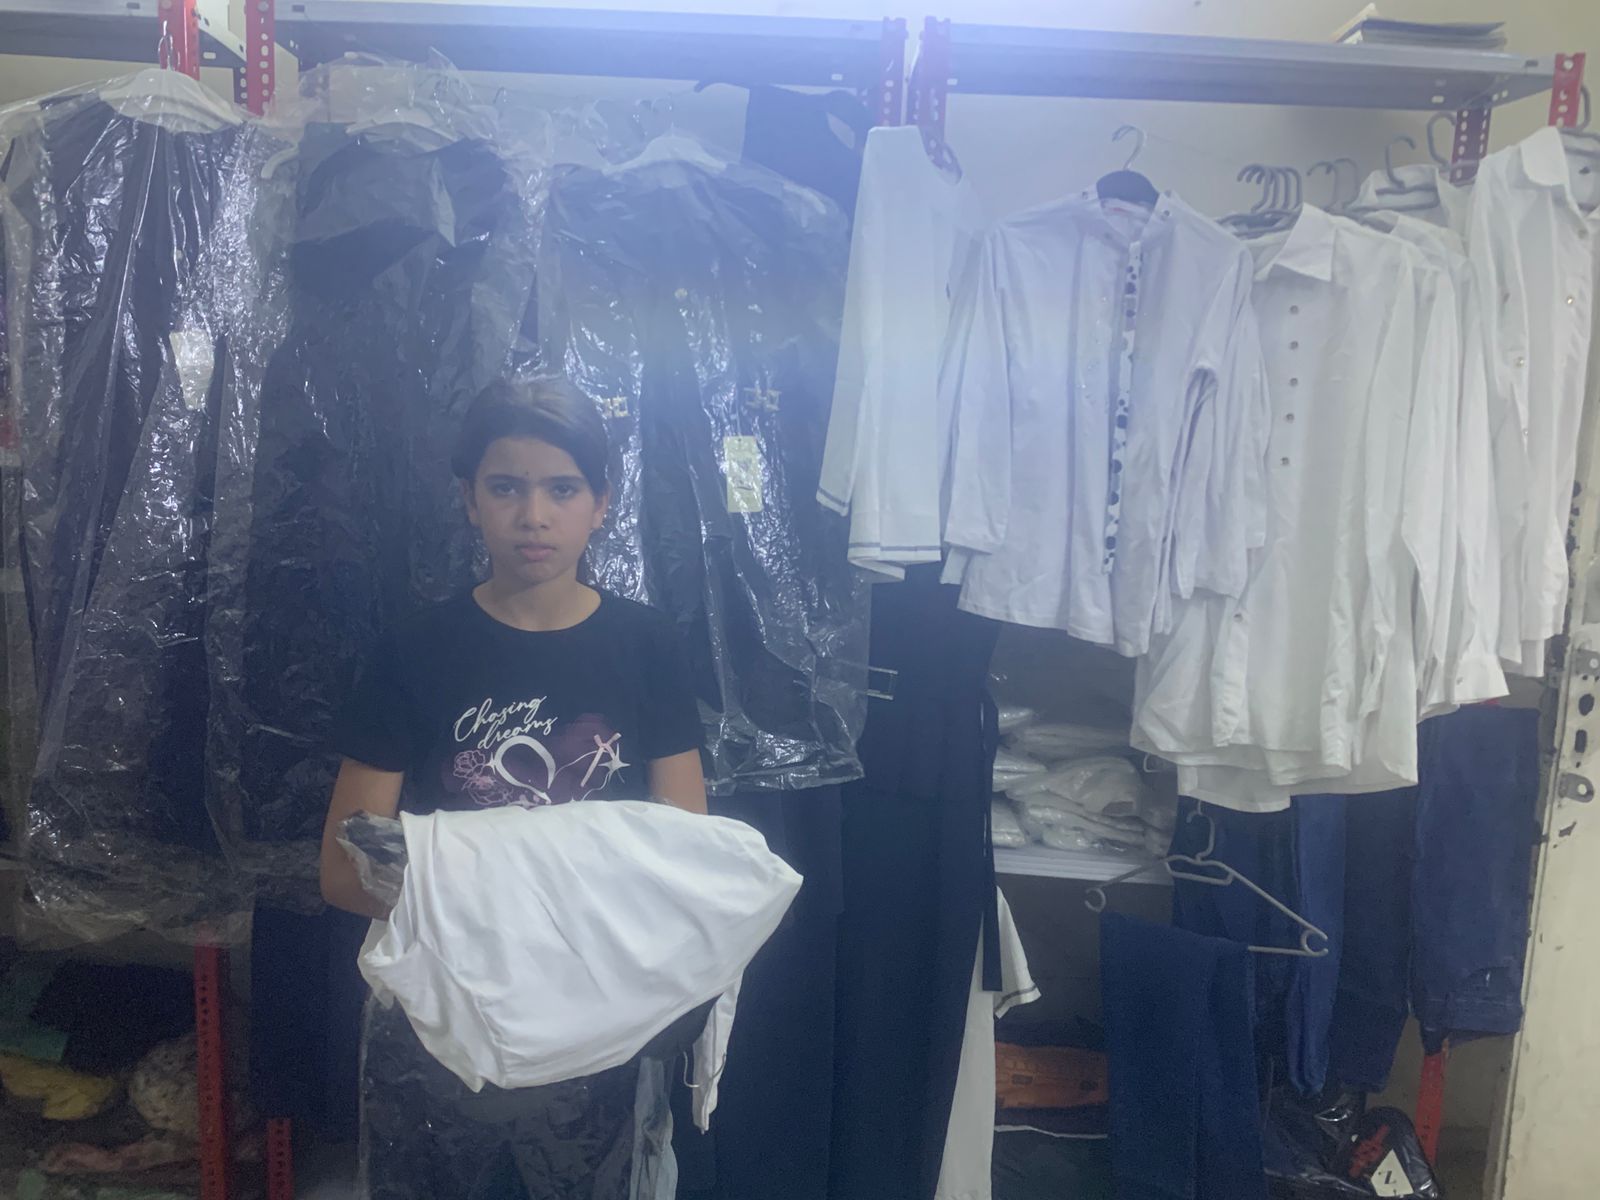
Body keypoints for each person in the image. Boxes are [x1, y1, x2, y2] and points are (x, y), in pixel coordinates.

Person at [318, 376, 708, 1200]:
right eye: (506, 487)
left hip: (595, 1019)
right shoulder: (412, 652)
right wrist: (540, 893)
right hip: (441, 1022)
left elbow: (686, 859)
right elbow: (345, 873)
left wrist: (484, 880)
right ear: (469, 500)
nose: (534, 515)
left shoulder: (649, 647)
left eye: (562, 489)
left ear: (602, 504)